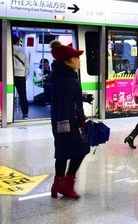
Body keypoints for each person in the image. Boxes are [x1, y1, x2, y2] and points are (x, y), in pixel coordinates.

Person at [49, 40, 91, 199]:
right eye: (76, 58)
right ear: (67, 61)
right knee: (82, 149)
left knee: (62, 152)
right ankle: (67, 184)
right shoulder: (68, 79)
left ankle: (57, 185)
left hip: (59, 121)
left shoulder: (60, 75)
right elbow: (65, 104)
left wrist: (83, 97)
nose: (79, 60)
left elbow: (66, 98)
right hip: (68, 122)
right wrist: (67, 125)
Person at [12, 35, 29, 119]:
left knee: (9, 94)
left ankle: (8, 113)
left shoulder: (7, 50)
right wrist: (25, 76)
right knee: (23, 96)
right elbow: (27, 65)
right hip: (21, 76)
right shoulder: (22, 51)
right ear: (17, 42)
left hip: (10, 76)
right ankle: (25, 114)